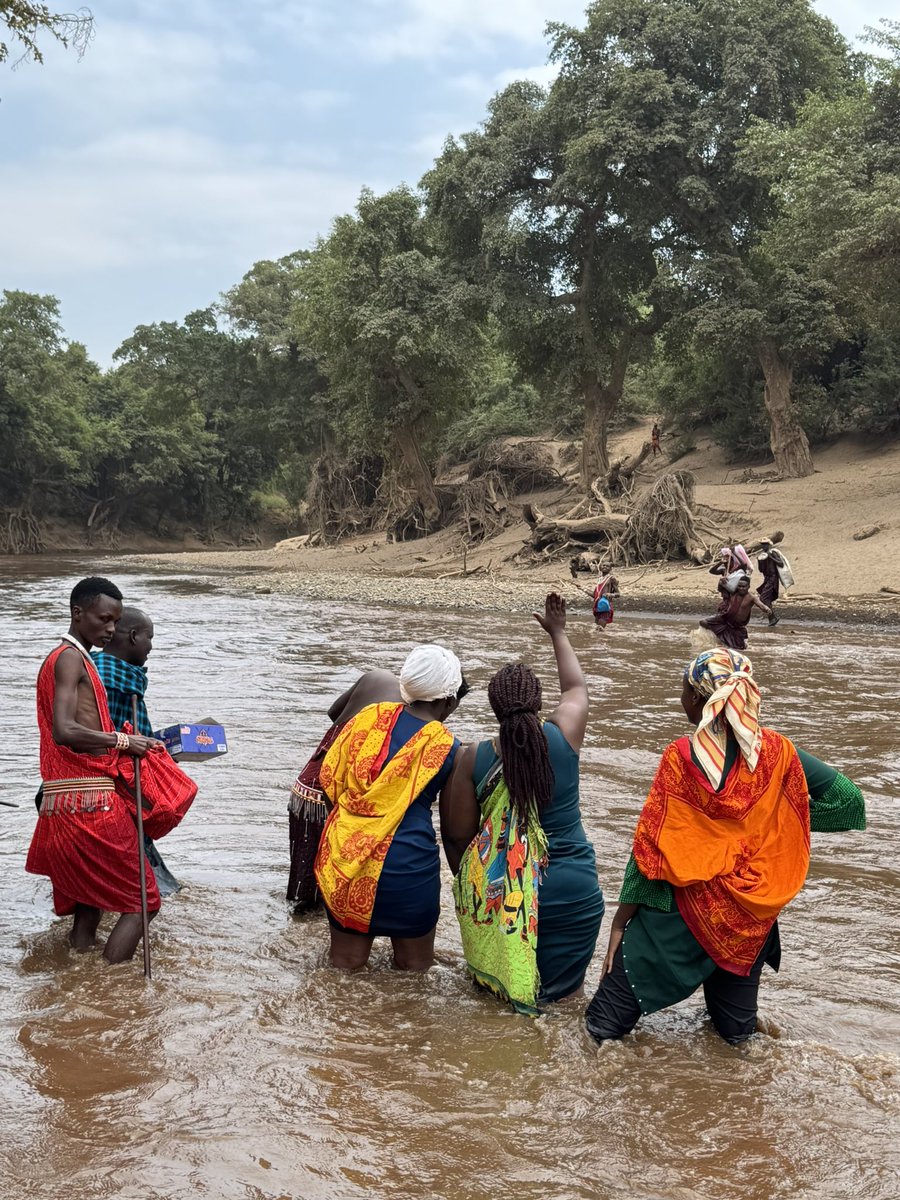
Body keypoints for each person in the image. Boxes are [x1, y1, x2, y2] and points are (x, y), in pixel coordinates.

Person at [585, 648, 866, 1046]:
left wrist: (620, 921)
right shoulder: (778, 753)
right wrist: (771, 822)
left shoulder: (682, 759)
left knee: (600, 1031)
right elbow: (849, 803)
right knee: (735, 1040)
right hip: (750, 917)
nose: (680, 698)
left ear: (700, 700)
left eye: (684, 690)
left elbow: (651, 847)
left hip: (681, 918)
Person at [442, 594, 605, 1012]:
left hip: (510, 900)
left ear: (496, 710)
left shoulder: (471, 759)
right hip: (576, 893)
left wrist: (487, 892)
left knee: (507, 1008)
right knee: (566, 1005)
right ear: (537, 703)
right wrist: (558, 632)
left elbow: (457, 841)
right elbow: (576, 687)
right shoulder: (564, 736)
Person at [26, 577, 197, 963]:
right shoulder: (70, 657)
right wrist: (125, 742)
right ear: (78, 613)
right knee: (144, 902)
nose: (109, 629)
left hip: (63, 800)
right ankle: (111, 984)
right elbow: (64, 730)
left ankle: (81, 988)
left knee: (89, 903)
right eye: (103, 620)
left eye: (114, 622)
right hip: (91, 801)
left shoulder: (72, 658)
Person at [314, 645, 463, 971]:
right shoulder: (449, 747)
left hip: (346, 866)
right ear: (449, 701)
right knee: (414, 973)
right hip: (409, 873)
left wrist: (351, 833)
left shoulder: (367, 718)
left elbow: (329, 783)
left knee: (344, 966)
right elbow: (454, 828)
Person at [287, 669, 401, 913]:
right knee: (328, 890)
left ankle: (296, 926)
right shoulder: (411, 716)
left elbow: (333, 713)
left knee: (305, 886)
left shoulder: (377, 677)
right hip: (330, 793)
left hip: (306, 784)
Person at [92, 607, 180, 897]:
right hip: (113, 787)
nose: (151, 646)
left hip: (102, 782)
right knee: (142, 895)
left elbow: (126, 731)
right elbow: (119, 736)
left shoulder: (96, 669)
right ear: (133, 636)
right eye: (149, 637)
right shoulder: (115, 678)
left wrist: (152, 746)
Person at [699, 574, 772, 650]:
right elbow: (721, 588)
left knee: (740, 649)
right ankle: (717, 637)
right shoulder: (733, 592)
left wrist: (767, 609)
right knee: (703, 622)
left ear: (748, 587)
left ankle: (724, 639)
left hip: (737, 627)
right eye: (739, 586)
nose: (741, 588)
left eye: (744, 587)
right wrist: (721, 581)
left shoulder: (752, 598)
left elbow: (761, 605)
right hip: (725, 619)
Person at [756, 538, 789, 625]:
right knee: (767, 598)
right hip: (767, 578)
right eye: (762, 544)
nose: (764, 546)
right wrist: (759, 561)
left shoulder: (773, 553)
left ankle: (772, 617)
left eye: (765, 544)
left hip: (773, 578)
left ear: (769, 545)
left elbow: (781, 563)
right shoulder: (762, 555)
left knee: (763, 598)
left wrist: (771, 557)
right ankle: (772, 618)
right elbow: (761, 570)